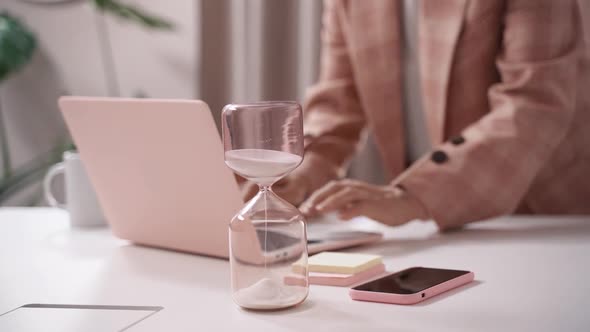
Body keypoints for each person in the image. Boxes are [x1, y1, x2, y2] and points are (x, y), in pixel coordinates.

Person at [244, 0, 590, 230]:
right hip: (434, 222)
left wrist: (415, 195)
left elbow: (533, 107)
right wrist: (297, 175)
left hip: (543, 219)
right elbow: (338, 103)